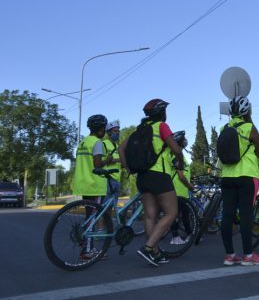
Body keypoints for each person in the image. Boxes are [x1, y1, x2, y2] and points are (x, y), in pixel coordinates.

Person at [120, 99, 184, 266]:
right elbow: (176, 149)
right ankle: (148, 248)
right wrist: (180, 162)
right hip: (159, 176)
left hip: (142, 176)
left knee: (150, 216)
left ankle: (154, 253)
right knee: (171, 213)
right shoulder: (162, 126)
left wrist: (128, 168)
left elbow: (121, 148)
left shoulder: (140, 129)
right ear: (162, 113)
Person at [219, 95, 259, 266]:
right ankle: (248, 255)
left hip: (227, 177)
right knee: (246, 215)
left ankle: (230, 255)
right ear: (247, 111)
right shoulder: (249, 127)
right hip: (246, 176)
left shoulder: (224, 128)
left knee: (228, 215)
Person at [72, 114, 112, 260]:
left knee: (89, 216)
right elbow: (97, 164)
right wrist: (106, 160)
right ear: (101, 129)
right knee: (92, 218)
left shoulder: (83, 142)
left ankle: (89, 246)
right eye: (104, 128)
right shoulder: (97, 143)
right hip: (95, 184)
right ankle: (87, 251)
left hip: (83, 183)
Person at [170, 130, 195, 245]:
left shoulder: (179, 154)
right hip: (178, 190)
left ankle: (178, 236)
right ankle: (182, 236)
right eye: (183, 139)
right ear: (179, 142)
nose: (185, 141)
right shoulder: (175, 155)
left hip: (180, 190)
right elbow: (181, 175)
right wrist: (189, 186)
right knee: (183, 214)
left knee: (177, 214)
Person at [102, 120, 122, 203]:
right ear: (109, 132)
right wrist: (118, 160)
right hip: (108, 179)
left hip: (117, 179)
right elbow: (101, 161)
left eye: (118, 131)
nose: (117, 133)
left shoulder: (117, 146)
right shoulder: (104, 144)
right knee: (104, 207)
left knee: (111, 206)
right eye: (115, 131)